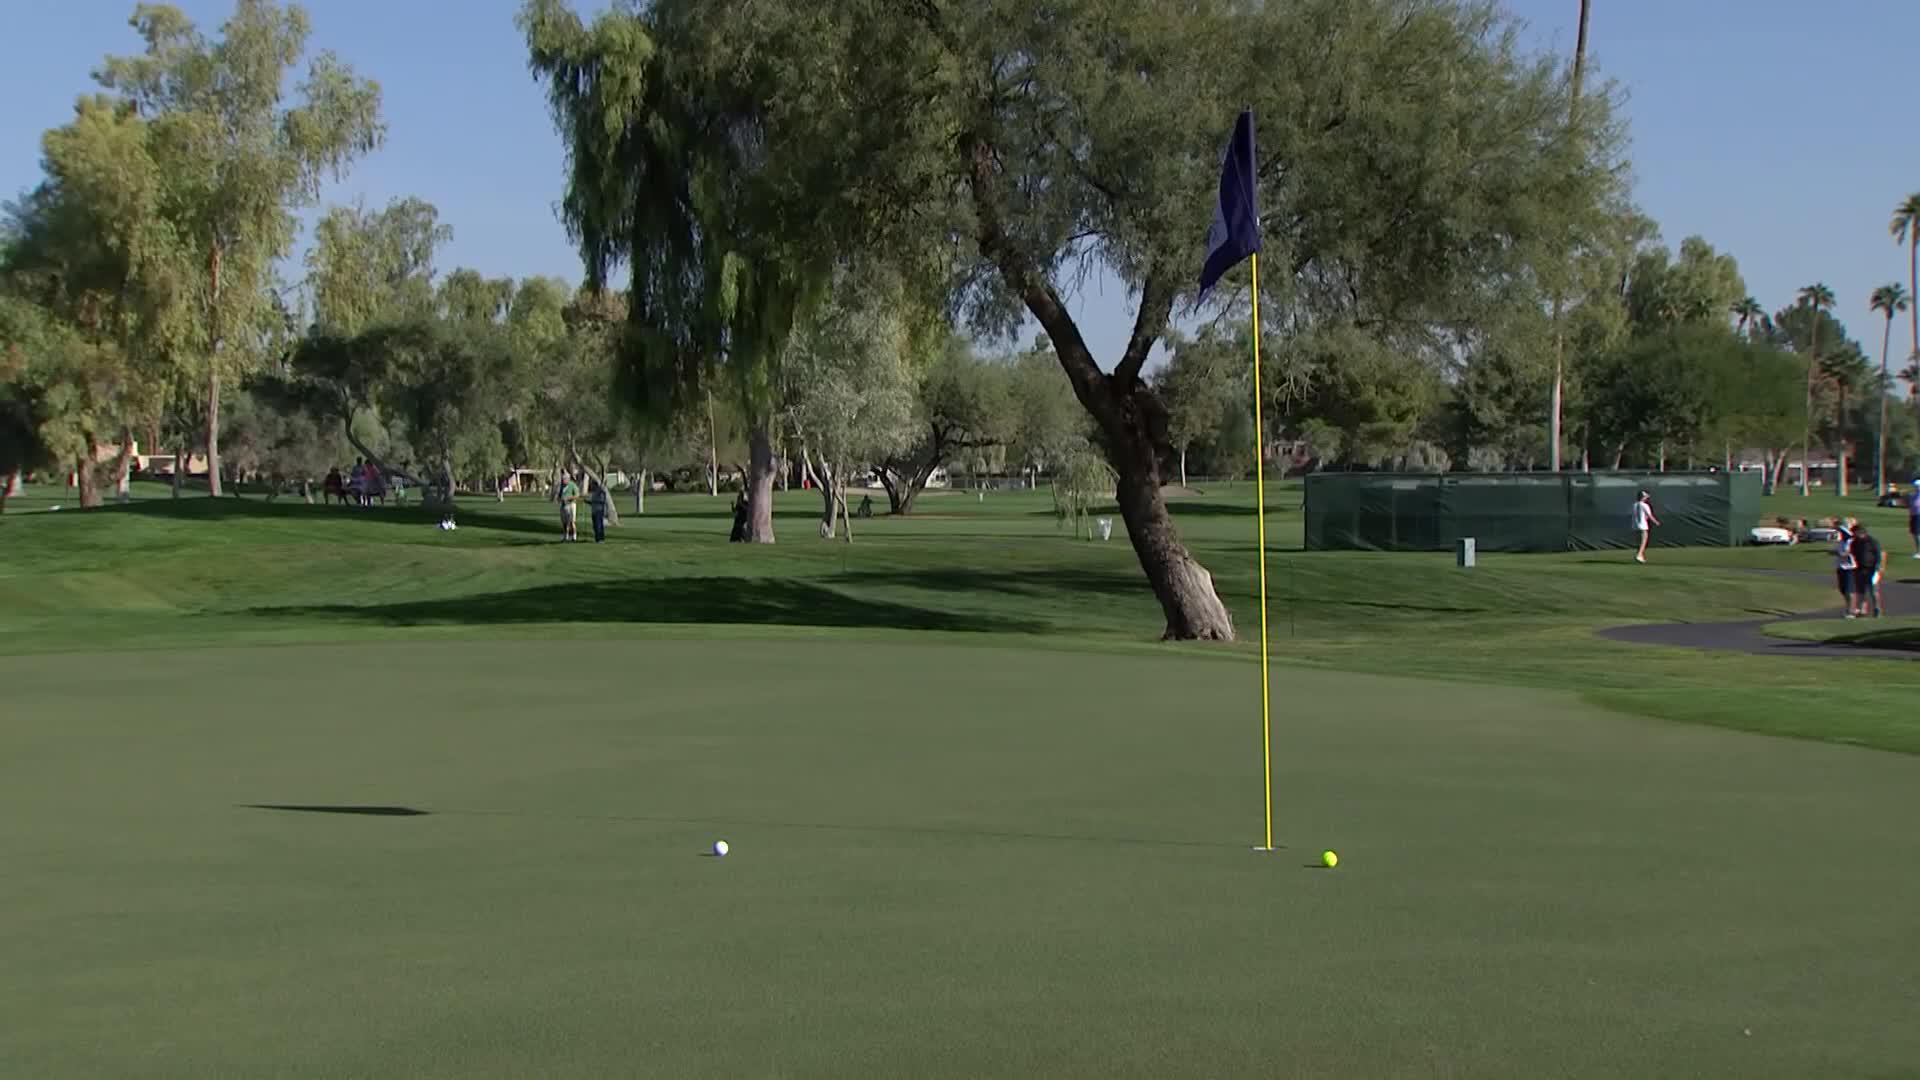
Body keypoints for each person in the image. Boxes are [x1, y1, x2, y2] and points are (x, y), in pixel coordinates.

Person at [1850, 522, 1884, 618]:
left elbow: (1878, 555)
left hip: (1872, 569)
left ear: (1860, 532)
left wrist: (1877, 567)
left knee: (1873, 591)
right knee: (1861, 591)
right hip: (1859, 569)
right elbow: (1853, 554)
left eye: (1854, 532)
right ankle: (1862, 610)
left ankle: (1877, 609)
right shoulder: (1855, 542)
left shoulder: (1872, 541)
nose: (1853, 535)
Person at [1833, 518, 1859, 618]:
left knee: (1849, 590)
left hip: (1849, 567)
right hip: (1841, 567)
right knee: (1843, 590)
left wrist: (1839, 554)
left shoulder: (1850, 539)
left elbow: (1848, 553)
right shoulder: (1841, 540)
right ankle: (1852, 608)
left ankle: (1851, 611)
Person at [1631, 490, 1660, 564]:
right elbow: (1650, 516)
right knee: (1644, 541)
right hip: (1642, 525)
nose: (1647, 498)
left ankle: (1641, 556)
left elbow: (1641, 515)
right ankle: (1639, 555)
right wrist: (1656, 522)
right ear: (1643, 497)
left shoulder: (1634, 505)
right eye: (1646, 496)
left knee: (1639, 541)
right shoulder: (1645, 505)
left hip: (1635, 525)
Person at [559, 472, 581, 541]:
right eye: (562, 479)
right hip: (563, 505)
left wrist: (569, 498)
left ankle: (574, 536)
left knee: (572, 521)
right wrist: (560, 499)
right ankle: (565, 535)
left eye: (564, 479)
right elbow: (560, 495)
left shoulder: (572, 485)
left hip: (571, 505)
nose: (563, 481)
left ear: (568, 479)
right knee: (564, 522)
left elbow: (577, 495)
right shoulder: (562, 486)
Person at [588, 478, 608, 543]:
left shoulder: (600, 492)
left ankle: (601, 539)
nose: (591, 486)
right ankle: (597, 539)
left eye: (592, 485)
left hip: (599, 511)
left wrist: (594, 502)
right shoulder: (594, 492)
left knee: (599, 525)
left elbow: (602, 501)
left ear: (595, 485)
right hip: (594, 511)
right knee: (595, 526)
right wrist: (588, 502)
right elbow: (593, 502)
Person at [1908, 480, 1920, 559]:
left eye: (1917, 486)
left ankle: (1919, 553)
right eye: (1915, 486)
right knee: (1915, 534)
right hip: (1913, 516)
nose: (1916, 487)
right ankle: (1918, 551)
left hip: (1918, 516)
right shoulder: (1913, 495)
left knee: (1917, 534)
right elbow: (1911, 505)